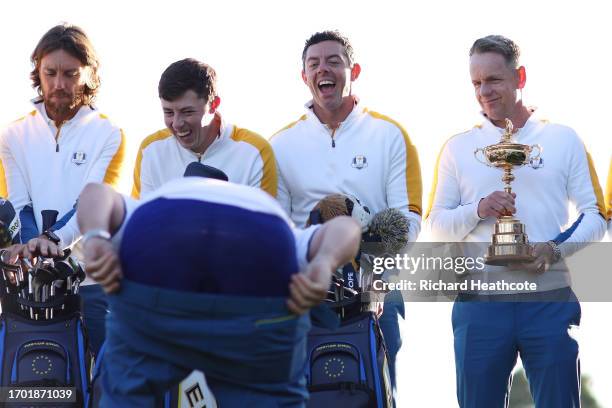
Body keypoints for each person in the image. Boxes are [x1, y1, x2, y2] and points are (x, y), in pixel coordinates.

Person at [76, 165, 361, 407]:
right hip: (259, 248)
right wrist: (324, 262)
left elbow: (94, 192)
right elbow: (346, 227)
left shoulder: (162, 197)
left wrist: (96, 237)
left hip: (160, 240)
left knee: (125, 395)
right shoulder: (259, 204)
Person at [426, 35, 607, 407]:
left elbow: (596, 216)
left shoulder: (562, 139)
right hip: (480, 302)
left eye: (493, 80)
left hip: (548, 297)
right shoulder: (457, 148)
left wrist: (553, 249)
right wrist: (477, 208)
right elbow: (437, 225)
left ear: (519, 77)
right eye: (476, 83)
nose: (484, 92)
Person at [271, 30, 422, 393]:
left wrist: (378, 276)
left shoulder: (389, 134)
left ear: (353, 71)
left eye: (334, 61)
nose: (324, 69)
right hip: (308, 298)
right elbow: (277, 229)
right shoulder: (281, 144)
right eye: (314, 63)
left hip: (378, 295)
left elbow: (409, 217)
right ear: (304, 76)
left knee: (377, 394)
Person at [0, 23, 125, 355]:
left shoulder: (110, 133)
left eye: (70, 74)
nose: (58, 84)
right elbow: (19, 204)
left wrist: (52, 240)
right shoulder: (12, 135)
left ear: (88, 74)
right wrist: (32, 246)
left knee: (104, 380)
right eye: (50, 72)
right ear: (37, 72)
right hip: (27, 284)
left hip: (90, 282)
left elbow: (90, 203)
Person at [131, 58, 276, 199]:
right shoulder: (150, 151)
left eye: (187, 112)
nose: (176, 123)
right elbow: (140, 219)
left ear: (213, 105)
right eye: (168, 112)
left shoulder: (255, 153)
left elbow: (265, 221)